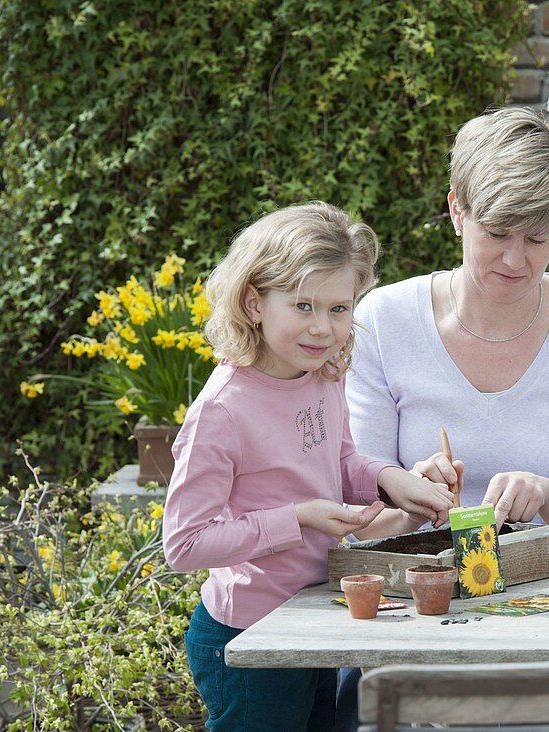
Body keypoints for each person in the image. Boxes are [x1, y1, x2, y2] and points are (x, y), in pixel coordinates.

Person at [335, 106, 549, 730]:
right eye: (498, 232)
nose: (516, 260)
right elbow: (353, 514)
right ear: (456, 209)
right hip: (414, 616)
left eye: (538, 238)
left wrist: (548, 493)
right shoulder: (383, 322)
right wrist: (407, 494)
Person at [162, 202, 455, 732]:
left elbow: (340, 460)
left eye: (339, 308)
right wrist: (298, 517)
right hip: (249, 638)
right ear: (254, 303)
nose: (323, 328)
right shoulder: (222, 411)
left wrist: (392, 479)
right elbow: (184, 545)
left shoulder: (322, 373)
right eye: (303, 305)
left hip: (318, 618)